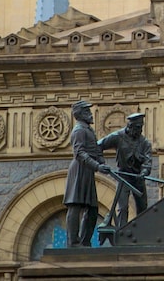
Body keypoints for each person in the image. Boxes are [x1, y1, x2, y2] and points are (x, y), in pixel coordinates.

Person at [63, 100, 115, 246]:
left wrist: (101, 161)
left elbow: (95, 149)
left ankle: (85, 241)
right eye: (87, 112)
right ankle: (73, 242)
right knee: (75, 205)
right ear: (80, 114)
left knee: (92, 208)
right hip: (79, 169)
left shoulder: (88, 130)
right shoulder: (79, 130)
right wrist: (97, 166)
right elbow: (79, 153)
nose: (90, 114)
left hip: (88, 170)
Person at [100, 112, 153, 229]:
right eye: (138, 128)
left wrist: (144, 172)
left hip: (138, 177)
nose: (140, 131)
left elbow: (148, 162)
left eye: (141, 127)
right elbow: (98, 146)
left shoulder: (145, 143)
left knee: (142, 207)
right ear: (130, 126)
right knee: (123, 207)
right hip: (123, 177)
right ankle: (121, 231)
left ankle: (142, 232)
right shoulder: (117, 136)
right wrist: (100, 162)